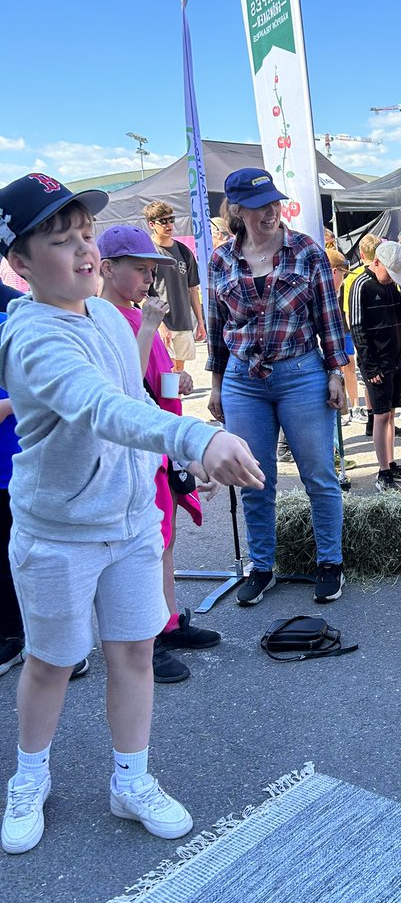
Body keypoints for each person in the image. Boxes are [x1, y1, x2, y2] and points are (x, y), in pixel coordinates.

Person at [0, 172, 263, 854]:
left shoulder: (108, 319)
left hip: (131, 524)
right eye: (62, 241)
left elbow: (138, 407)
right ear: (21, 264)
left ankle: (130, 778)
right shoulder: (30, 339)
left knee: (135, 652)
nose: (85, 251)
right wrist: (201, 438)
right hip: (58, 533)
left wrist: (183, 459)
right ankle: (30, 778)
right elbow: (101, 409)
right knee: (52, 661)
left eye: (86, 234)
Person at [207, 168, 349, 606]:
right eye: (257, 206)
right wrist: (215, 385)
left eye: (273, 202)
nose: (269, 212)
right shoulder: (220, 260)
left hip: (301, 373)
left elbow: (329, 317)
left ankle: (330, 563)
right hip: (242, 379)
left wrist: (335, 372)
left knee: (319, 474)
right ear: (237, 211)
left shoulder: (306, 250)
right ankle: (262, 567)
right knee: (252, 477)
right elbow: (216, 328)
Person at [97, 224, 222, 685]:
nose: (149, 280)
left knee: (163, 540)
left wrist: (177, 380)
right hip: (133, 450)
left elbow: (152, 377)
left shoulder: (133, 313)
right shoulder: (103, 318)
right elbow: (121, 384)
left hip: (159, 447)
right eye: (140, 270)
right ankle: (142, 640)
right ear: (107, 269)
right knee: (144, 548)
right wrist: (150, 326)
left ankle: (165, 623)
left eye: (152, 271)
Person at [349, 241, 401, 492]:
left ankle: (390, 462)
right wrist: (369, 366)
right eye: (389, 273)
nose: (390, 279)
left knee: (390, 414)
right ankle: (383, 470)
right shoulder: (360, 285)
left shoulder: (392, 286)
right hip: (376, 361)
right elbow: (356, 327)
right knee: (380, 415)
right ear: (376, 262)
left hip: (396, 358)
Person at [144, 200, 206, 373]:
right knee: (165, 371)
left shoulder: (184, 251)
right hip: (160, 322)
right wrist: (159, 325)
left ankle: (176, 401)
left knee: (178, 370)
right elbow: (142, 294)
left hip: (183, 321)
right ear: (151, 224)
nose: (169, 224)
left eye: (171, 219)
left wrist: (200, 322)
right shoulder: (148, 253)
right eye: (163, 221)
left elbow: (192, 288)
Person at [326, 247, 362, 421]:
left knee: (348, 365)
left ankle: (350, 409)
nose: (344, 277)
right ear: (334, 271)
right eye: (342, 273)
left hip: (342, 336)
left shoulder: (335, 291)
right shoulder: (319, 293)